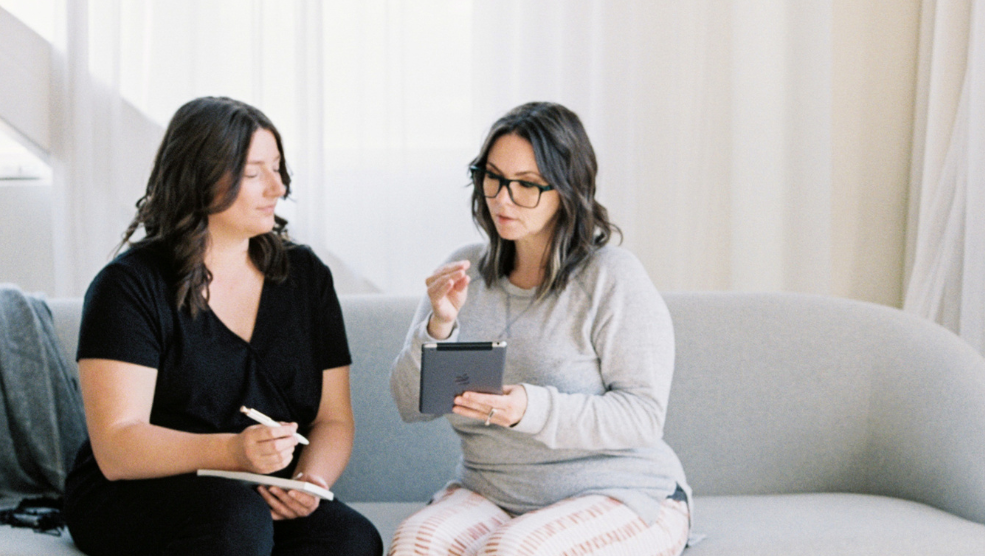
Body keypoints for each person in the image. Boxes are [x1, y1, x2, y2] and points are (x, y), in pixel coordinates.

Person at [63, 96, 382, 556]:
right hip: (136, 489)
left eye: (278, 168)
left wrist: (311, 481)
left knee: (351, 541)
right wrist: (233, 451)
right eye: (254, 173)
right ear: (200, 178)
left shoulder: (306, 277)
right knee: (236, 522)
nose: (277, 187)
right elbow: (116, 447)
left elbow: (333, 419)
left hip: (252, 489)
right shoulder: (128, 285)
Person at [389, 102, 691, 556]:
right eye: (492, 177)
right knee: (416, 544)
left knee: (516, 550)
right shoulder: (466, 269)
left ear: (568, 191)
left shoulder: (612, 277)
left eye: (527, 185)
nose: (502, 199)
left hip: (622, 490)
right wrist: (440, 325)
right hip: (492, 490)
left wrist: (531, 408)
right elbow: (410, 406)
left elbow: (643, 417)